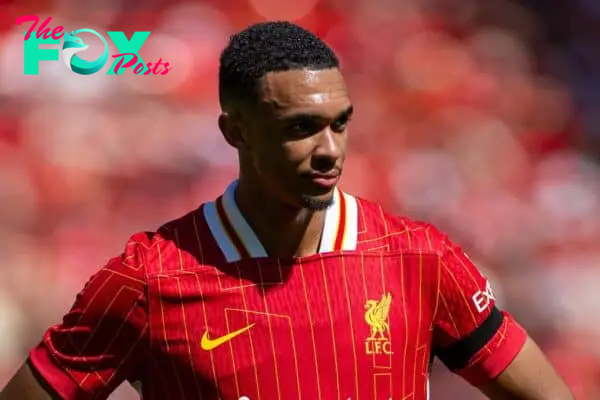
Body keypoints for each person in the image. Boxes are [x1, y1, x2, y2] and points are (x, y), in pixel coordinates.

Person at [0, 21, 573, 400]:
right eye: (299, 128)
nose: (329, 151)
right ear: (236, 131)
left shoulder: (418, 258)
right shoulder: (148, 280)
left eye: (339, 123)